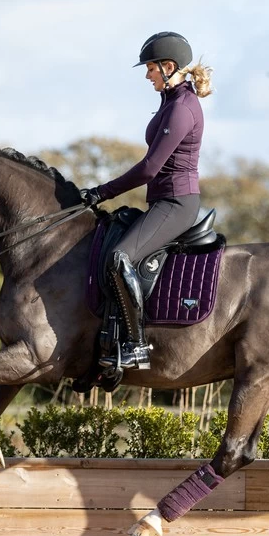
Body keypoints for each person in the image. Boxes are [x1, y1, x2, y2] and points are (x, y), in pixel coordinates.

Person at [79, 31, 213, 371]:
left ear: (168, 67)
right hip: (164, 202)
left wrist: (101, 192)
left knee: (119, 256)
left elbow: (150, 168)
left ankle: (137, 345)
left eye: (150, 68)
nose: (147, 74)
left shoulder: (181, 108)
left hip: (177, 203)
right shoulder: (171, 101)